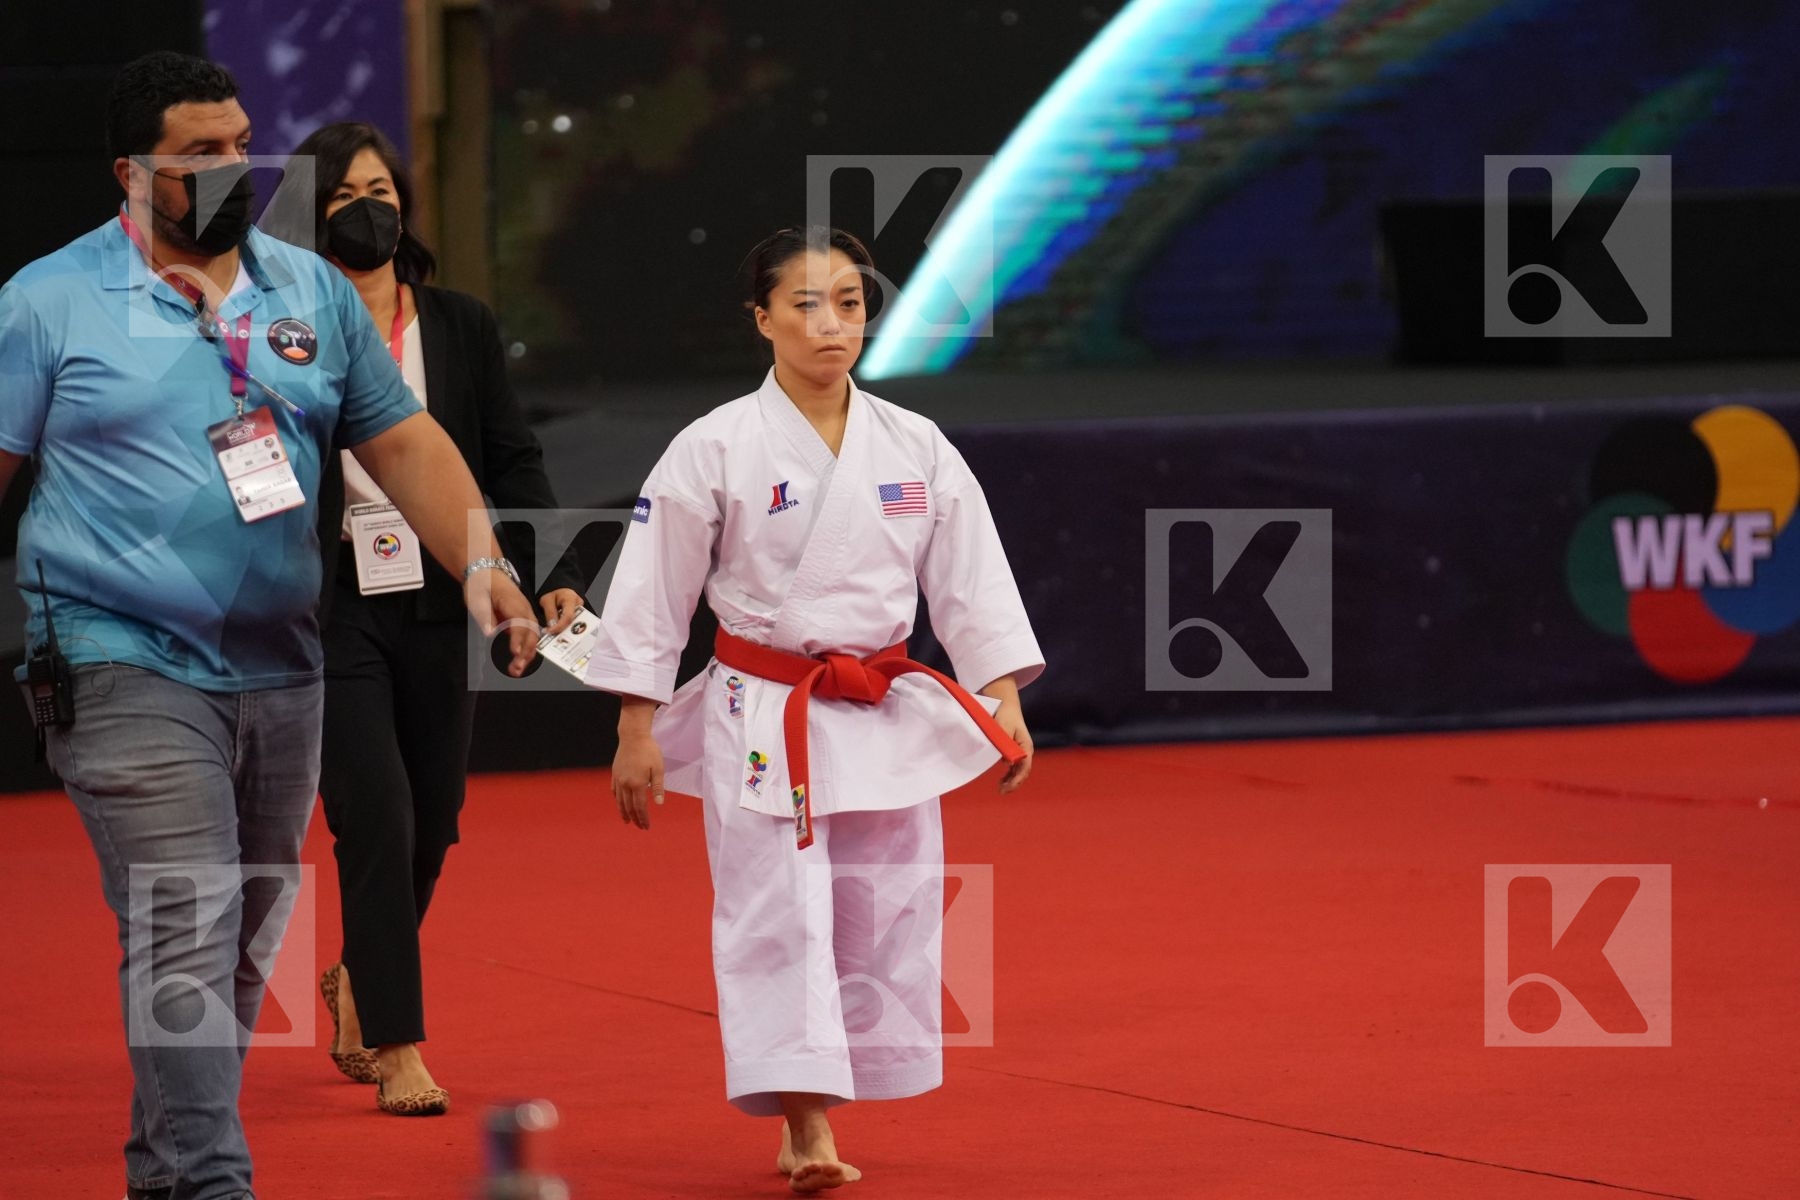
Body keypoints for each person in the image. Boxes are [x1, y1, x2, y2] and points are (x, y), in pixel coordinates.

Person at [0, 52, 539, 1200]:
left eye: (239, 140)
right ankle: (210, 1183)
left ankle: (167, 1168)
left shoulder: (307, 290)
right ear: (130, 171)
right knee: (186, 921)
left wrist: (482, 562)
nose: (231, 165)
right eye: (198, 151)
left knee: (240, 940)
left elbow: (403, 443)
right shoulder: (46, 302)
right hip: (114, 657)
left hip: (285, 666)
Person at [588, 226, 1043, 1193]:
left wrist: (999, 694)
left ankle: (856, 1078)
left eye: (849, 302)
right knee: (776, 912)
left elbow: (970, 582)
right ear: (761, 320)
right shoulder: (712, 445)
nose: (831, 323)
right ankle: (806, 1125)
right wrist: (636, 728)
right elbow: (653, 594)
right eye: (805, 303)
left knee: (888, 905)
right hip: (766, 709)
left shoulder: (915, 442)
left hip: (880, 703)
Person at [285, 120, 587, 1116]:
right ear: (307, 220)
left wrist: (535, 570)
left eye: (379, 188)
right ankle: (399, 1042)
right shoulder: (281, 324)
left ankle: (358, 977)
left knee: (437, 822)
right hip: (327, 598)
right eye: (338, 198)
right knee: (377, 815)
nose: (366, 208)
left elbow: (513, 457)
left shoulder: (457, 322)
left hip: (445, 587)